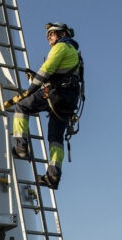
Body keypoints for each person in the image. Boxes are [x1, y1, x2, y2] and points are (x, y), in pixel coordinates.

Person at [11, 22, 83, 190]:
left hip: (57, 94)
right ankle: (53, 175)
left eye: (52, 33)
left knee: (22, 107)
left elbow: (46, 70)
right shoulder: (75, 53)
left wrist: (29, 90)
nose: (49, 37)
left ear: (62, 34)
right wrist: (37, 79)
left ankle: (20, 146)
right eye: (48, 35)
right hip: (69, 100)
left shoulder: (61, 47)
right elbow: (60, 75)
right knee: (55, 138)